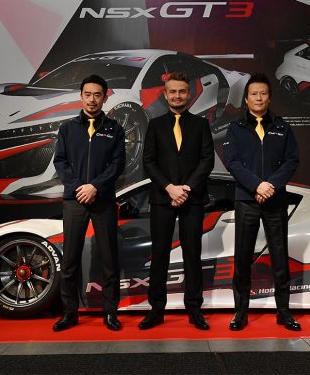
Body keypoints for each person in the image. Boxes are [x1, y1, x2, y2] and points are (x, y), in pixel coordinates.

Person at [223, 73, 301, 331]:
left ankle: (284, 312)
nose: (258, 98)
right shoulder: (235, 128)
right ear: (246, 99)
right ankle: (240, 313)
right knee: (242, 258)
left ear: (270, 98)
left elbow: (291, 161)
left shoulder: (282, 127)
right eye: (254, 94)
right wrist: (257, 185)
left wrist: (271, 186)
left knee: (280, 256)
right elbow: (232, 162)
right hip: (247, 200)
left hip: (275, 200)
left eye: (263, 93)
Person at [139, 72, 215, 330]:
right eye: (173, 91)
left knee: (193, 255)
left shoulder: (201, 125)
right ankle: (156, 310)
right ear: (165, 94)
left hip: (193, 198)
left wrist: (186, 189)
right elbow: (148, 161)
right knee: (159, 254)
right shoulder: (155, 125)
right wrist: (170, 188)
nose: (177, 96)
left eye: (182, 91)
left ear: (189, 93)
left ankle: (194, 309)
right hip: (163, 198)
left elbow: (207, 161)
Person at [52, 74, 126, 332]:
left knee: (109, 259)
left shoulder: (115, 129)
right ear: (81, 97)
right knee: (70, 259)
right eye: (87, 94)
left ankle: (111, 312)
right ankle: (69, 313)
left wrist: (95, 186)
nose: (92, 99)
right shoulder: (67, 129)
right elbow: (60, 162)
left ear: (105, 98)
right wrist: (78, 188)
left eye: (97, 95)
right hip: (74, 200)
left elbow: (117, 164)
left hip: (103, 199)